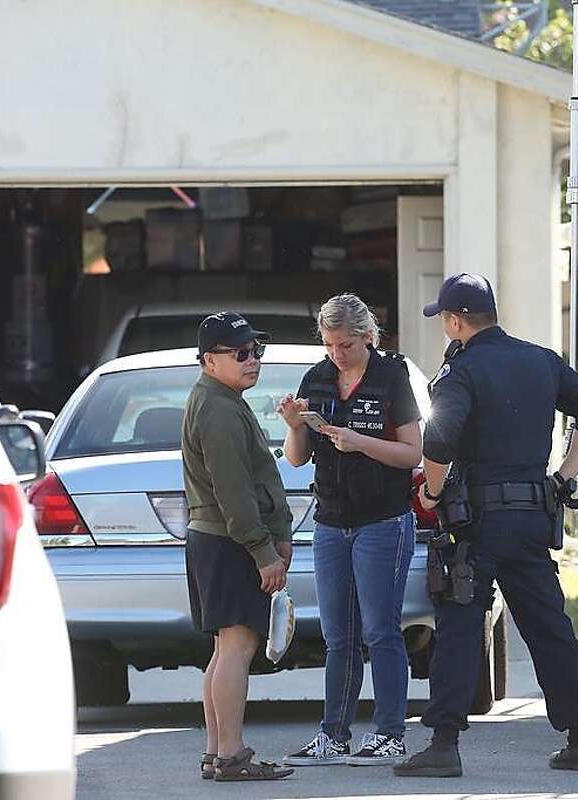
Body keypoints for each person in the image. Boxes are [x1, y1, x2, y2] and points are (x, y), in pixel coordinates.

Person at [393, 273, 578, 778]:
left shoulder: (461, 370)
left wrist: (431, 492)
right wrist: (563, 477)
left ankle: (443, 745)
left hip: (478, 523)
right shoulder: (541, 360)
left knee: (460, 625)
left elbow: (439, 441)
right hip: (532, 517)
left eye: (445, 320)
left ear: (455, 321)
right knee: (549, 626)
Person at [277, 293, 423, 767]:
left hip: (383, 519)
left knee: (381, 630)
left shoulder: (391, 376)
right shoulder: (317, 378)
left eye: (346, 345)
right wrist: (295, 425)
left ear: (368, 336)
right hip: (331, 521)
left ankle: (389, 733)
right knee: (338, 636)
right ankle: (333, 734)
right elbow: (297, 458)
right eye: (329, 345)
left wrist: (360, 442)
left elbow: (412, 453)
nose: (337, 354)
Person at [182, 312, 295, 782]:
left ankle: (217, 752)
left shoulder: (220, 398)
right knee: (237, 647)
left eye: (256, 351)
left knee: (224, 648)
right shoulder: (220, 409)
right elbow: (234, 492)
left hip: (216, 538)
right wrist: (263, 552)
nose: (253, 361)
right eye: (241, 353)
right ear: (210, 360)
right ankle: (231, 755)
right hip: (228, 542)